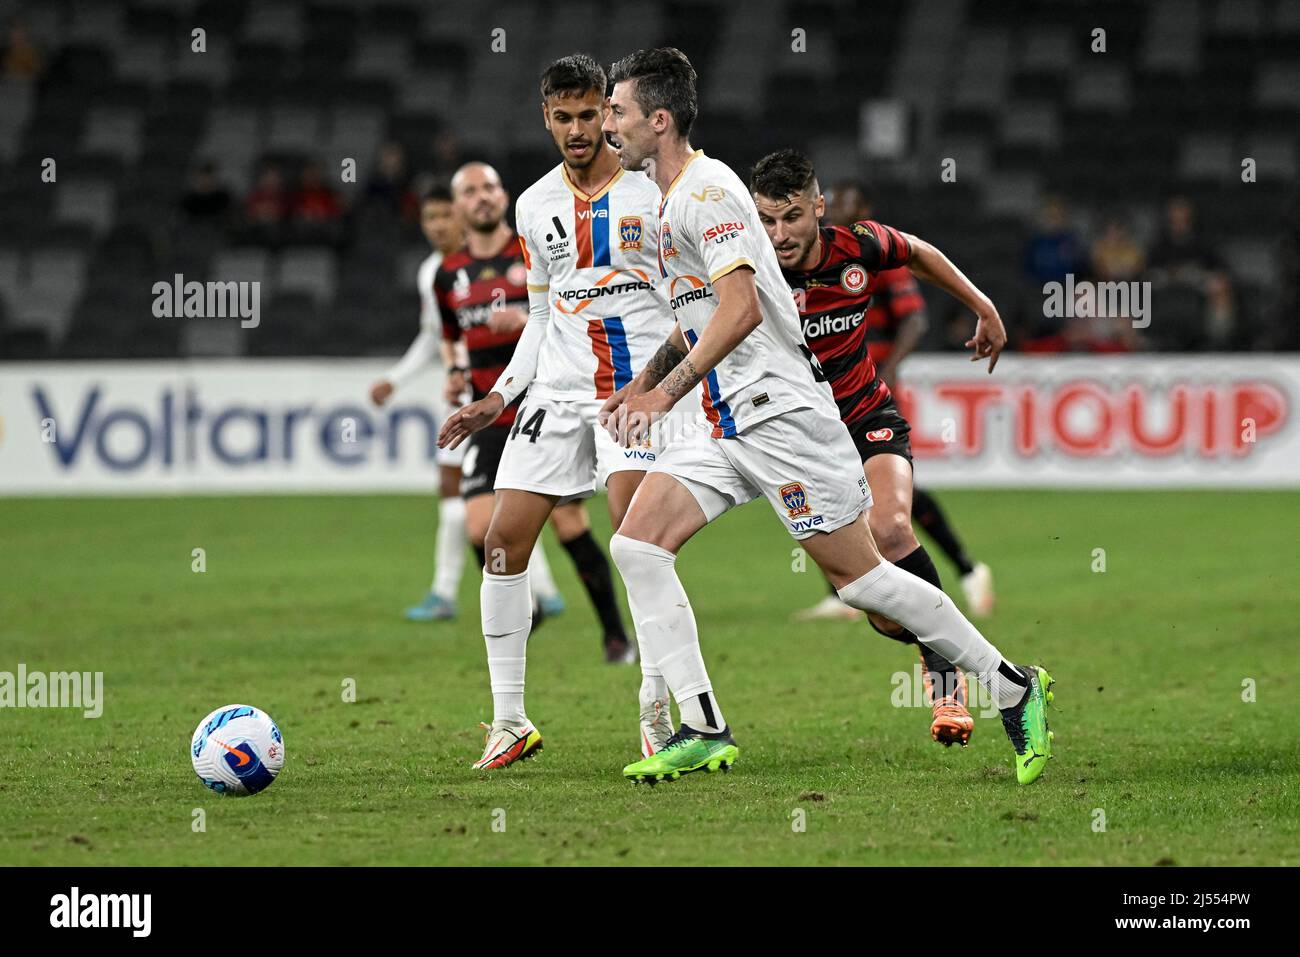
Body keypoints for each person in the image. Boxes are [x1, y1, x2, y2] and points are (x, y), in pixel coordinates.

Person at [599, 48, 1054, 786]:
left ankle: (1013, 685)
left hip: (782, 416)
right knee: (638, 546)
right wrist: (642, 385)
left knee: (866, 583)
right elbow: (700, 318)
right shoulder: (670, 199)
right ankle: (703, 723)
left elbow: (742, 312)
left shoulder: (707, 194)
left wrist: (663, 395)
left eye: (617, 111)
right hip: (728, 422)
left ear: (659, 119)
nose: (608, 124)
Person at [439, 55, 694, 769]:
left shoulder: (656, 191)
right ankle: (510, 720)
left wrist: (666, 389)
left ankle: (657, 712)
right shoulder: (533, 204)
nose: (579, 130)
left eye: (591, 114)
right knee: (500, 540)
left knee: (636, 547)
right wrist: (499, 395)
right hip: (555, 392)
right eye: (564, 117)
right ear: (545, 118)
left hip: (630, 397)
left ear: (609, 116)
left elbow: (689, 305)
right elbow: (544, 314)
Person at [754, 152, 995, 747]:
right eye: (766, 221)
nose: (779, 234)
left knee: (893, 529)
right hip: (804, 443)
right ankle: (931, 634)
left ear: (818, 208)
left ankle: (947, 690)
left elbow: (919, 252)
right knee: (882, 609)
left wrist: (982, 305)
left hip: (867, 415)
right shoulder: (746, 269)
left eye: (790, 217)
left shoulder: (857, 245)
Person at [436, 161, 636, 707]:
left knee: (574, 524)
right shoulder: (446, 272)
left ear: (503, 196)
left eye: (488, 188)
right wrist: (456, 371)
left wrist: (522, 323)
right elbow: (449, 334)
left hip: (547, 403)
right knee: (483, 530)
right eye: (469, 192)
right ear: (458, 207)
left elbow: (561, 313)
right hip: (489, 413)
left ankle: (616, 635)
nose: (481, 199)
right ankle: (525, 617)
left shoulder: (535, 235)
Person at [816, 179, 995, 618]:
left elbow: (915, 320)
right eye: (834, 200)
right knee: (833, 487)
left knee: (892, 495)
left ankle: (968, 570)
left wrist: (892, 367)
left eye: (850, 202)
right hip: (826, 395)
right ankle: (846, 592)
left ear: (868, 208)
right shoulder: (811, 260)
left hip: (870, 389)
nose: (840, 208)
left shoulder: (876, 256)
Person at [370, 182, 474, 621]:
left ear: (464, 214)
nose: (436, 226)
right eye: (429, 218)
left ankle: (450, 593)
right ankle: (449, 592)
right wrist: (396, 379)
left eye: (444, 215)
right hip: (463, 394)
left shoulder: (498, 260)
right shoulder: (431, 272)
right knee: (472, 495)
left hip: (504, 393)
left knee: (496, 498)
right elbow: (435, 340)